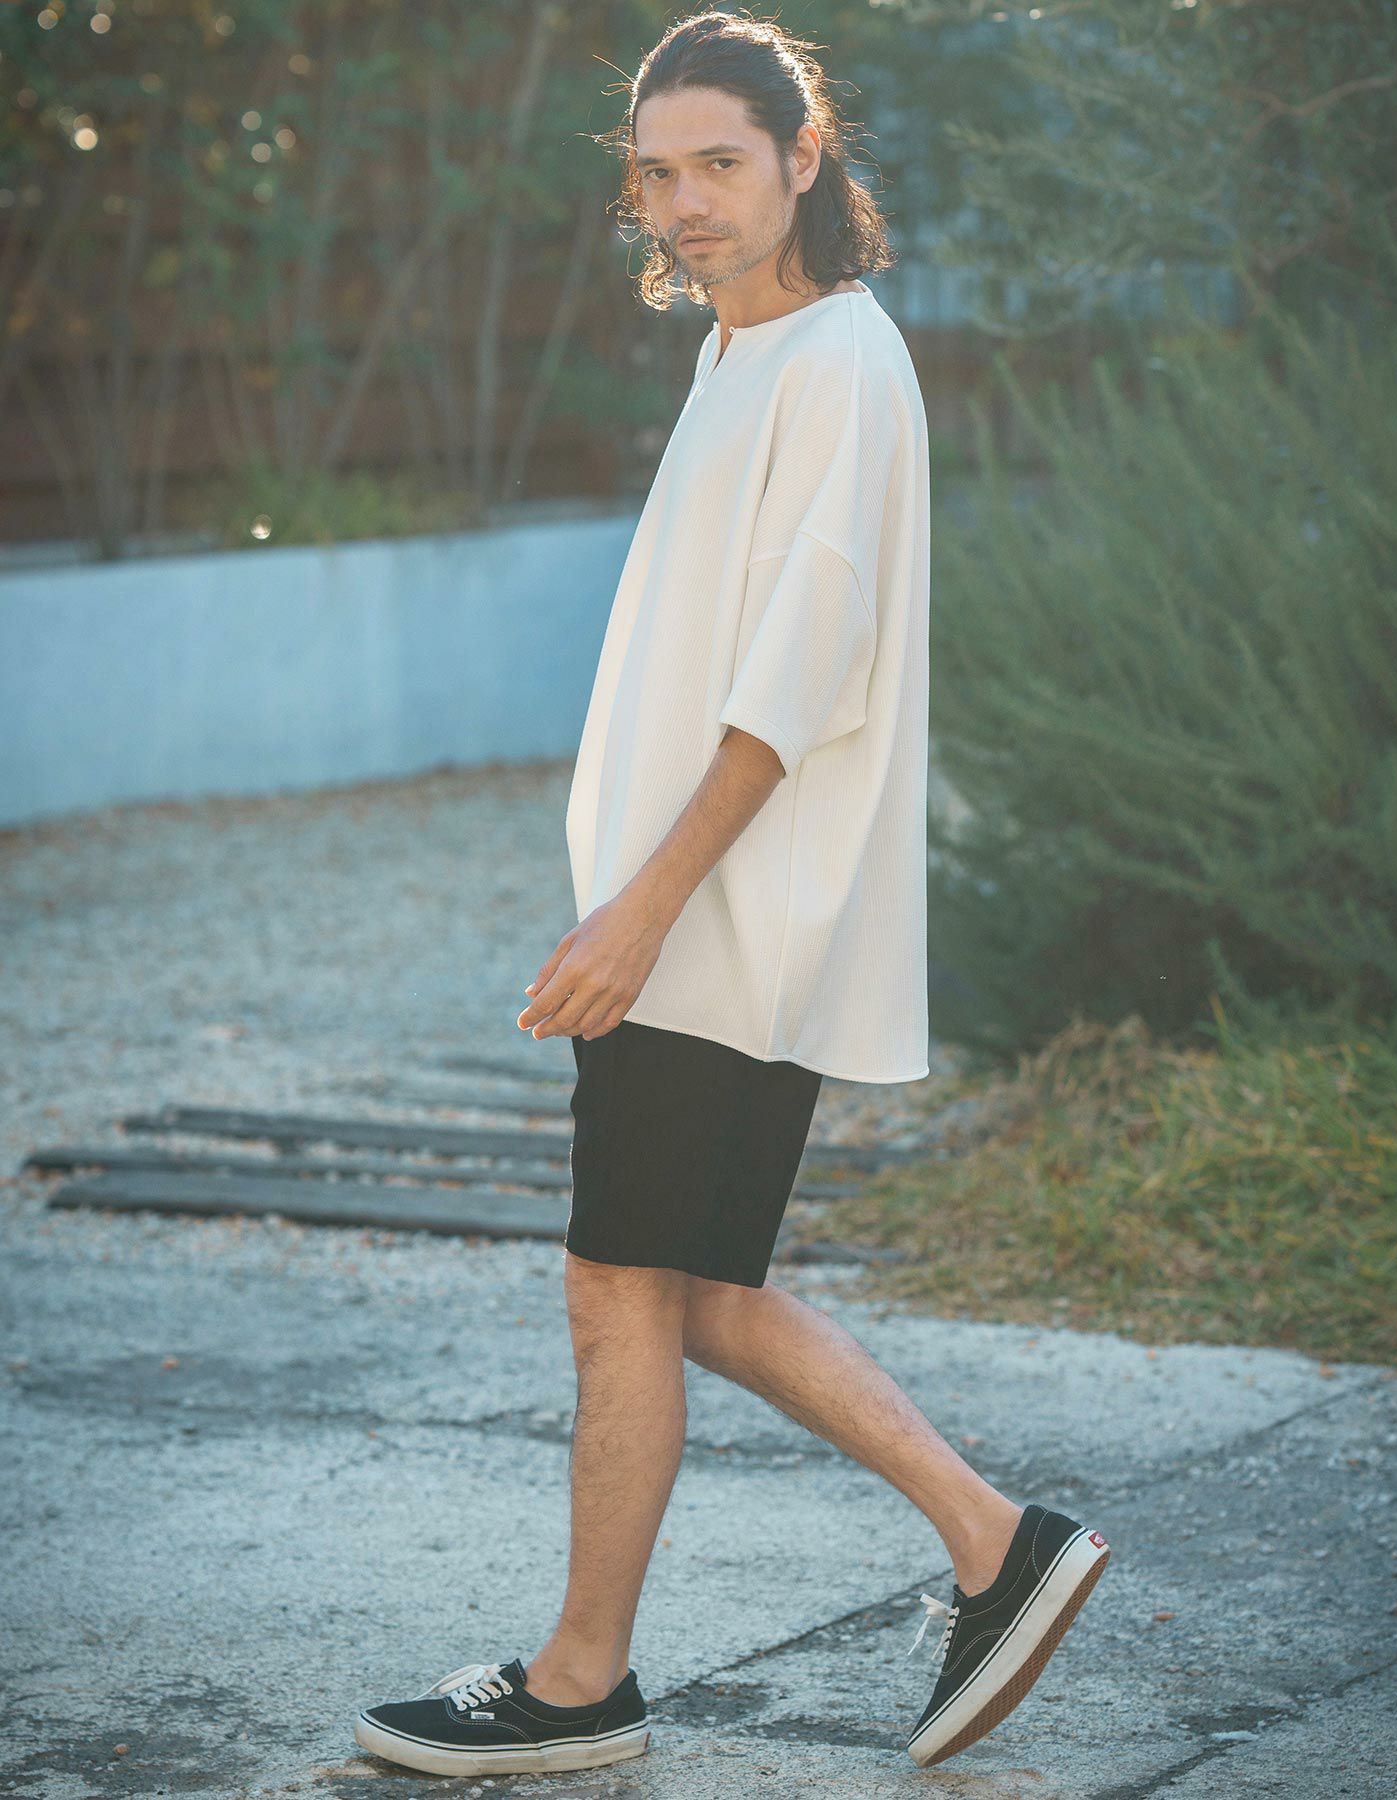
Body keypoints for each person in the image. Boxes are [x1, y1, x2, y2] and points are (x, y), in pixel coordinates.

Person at [355, 9, 1108, 1781]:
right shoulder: (742, 354)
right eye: (657, 172)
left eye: (719, 163)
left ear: (802, 160)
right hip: (700, 923)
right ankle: (998, 1545)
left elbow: (791, 692)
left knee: (618, 1288)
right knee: (687, 1290)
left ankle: (580, 1687)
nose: (685, 202)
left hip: (722, 929)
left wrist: (640, 915)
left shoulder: (837, 360)